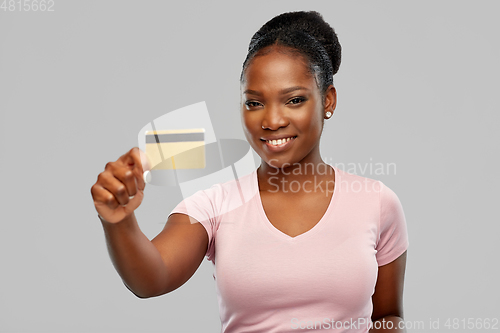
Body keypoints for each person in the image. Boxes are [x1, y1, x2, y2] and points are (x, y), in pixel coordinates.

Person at [91, 11, 409, 333]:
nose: (272, 120)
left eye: (294, 100)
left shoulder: (376, 202)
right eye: (254, 103)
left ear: (328, 100)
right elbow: (152, 277)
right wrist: (118, 220)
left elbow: (387, 316)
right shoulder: (214, 204)